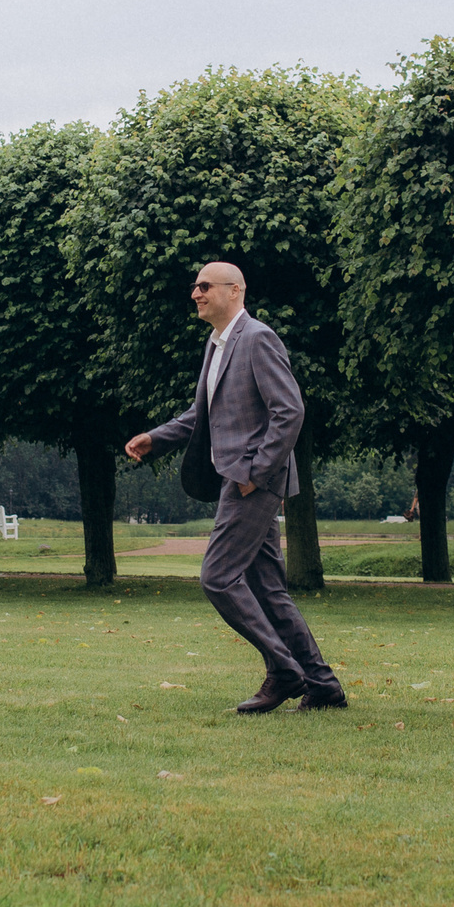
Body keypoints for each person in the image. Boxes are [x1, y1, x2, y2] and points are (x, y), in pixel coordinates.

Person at [127, 261, 344, 715]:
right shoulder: (217, 344)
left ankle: (284, 671)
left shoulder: (258, 338)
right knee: (268, 588)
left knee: (218, 577)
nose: (196, 293)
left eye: (205, 286)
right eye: (195, 286)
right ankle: (323, 685)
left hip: (250, 482)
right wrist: (157, 438)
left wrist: (256, 474)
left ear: (235, 291)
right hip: (239, 477)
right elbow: (201, 415)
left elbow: (290, 411)